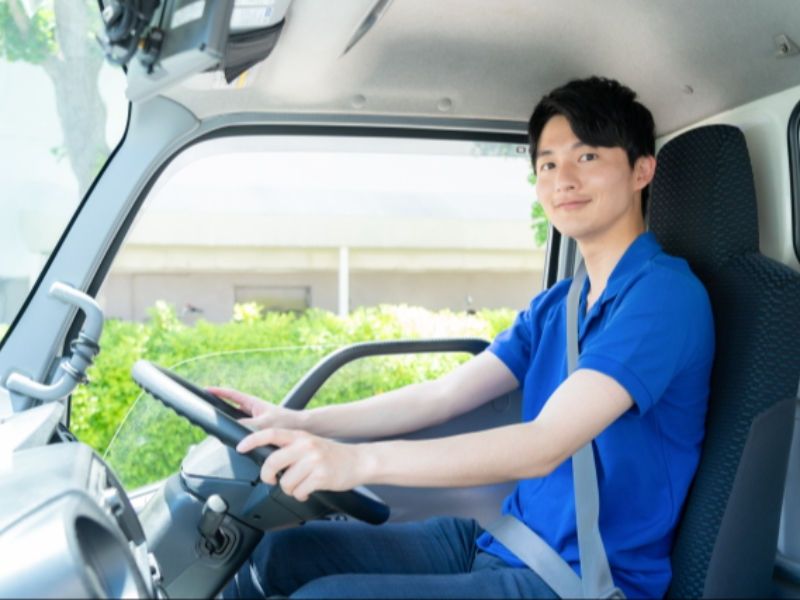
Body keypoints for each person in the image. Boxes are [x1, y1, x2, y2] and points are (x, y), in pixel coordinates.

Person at [214, 77, 715, 599]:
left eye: (586, 157)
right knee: (278, 552)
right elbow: (442, 396)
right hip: (506, 542)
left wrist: (356, 461)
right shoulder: (560, 305)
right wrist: (299, 422)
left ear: (641, 170)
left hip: (581, 581)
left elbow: (544, 445)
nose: (562, 180)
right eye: (547, 164)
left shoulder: (664, 297)